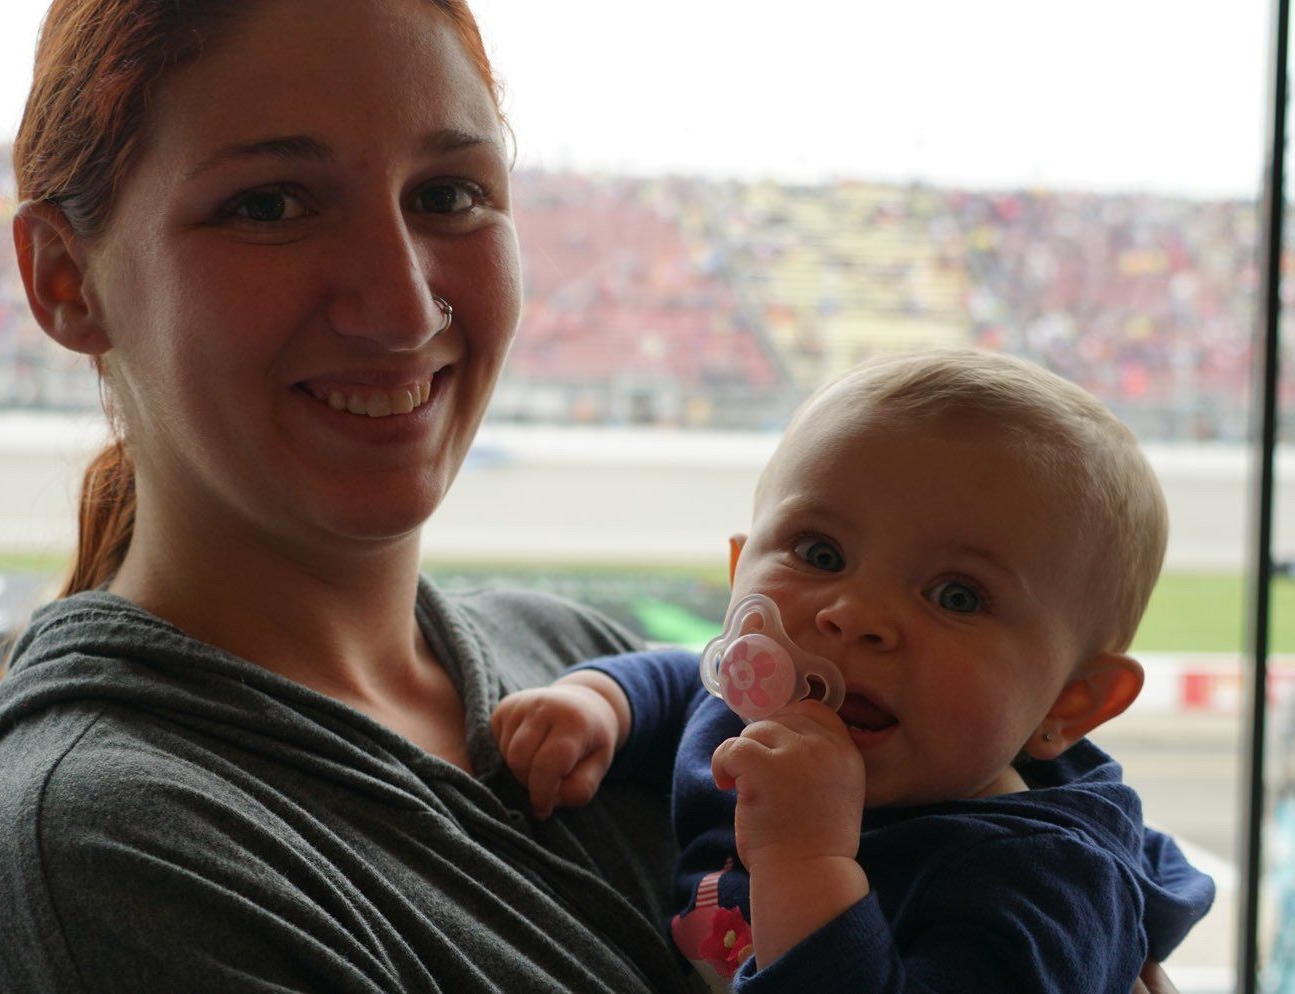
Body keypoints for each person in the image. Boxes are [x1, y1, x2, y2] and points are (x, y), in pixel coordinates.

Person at [0, 2, 696, 991]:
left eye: (447, 194)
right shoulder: (96, 861)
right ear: (65, 278)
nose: (401, 309)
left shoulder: (588, 666)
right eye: (269, 205)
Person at [491, 350, 1214, 993]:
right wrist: (601, 703)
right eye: (821, 554)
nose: (855, 613)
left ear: (1072, 702)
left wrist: (805, 864)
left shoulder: (1041, 887)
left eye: (956, 595)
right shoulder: (755, 707)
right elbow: (684, 685)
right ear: (741, 573)